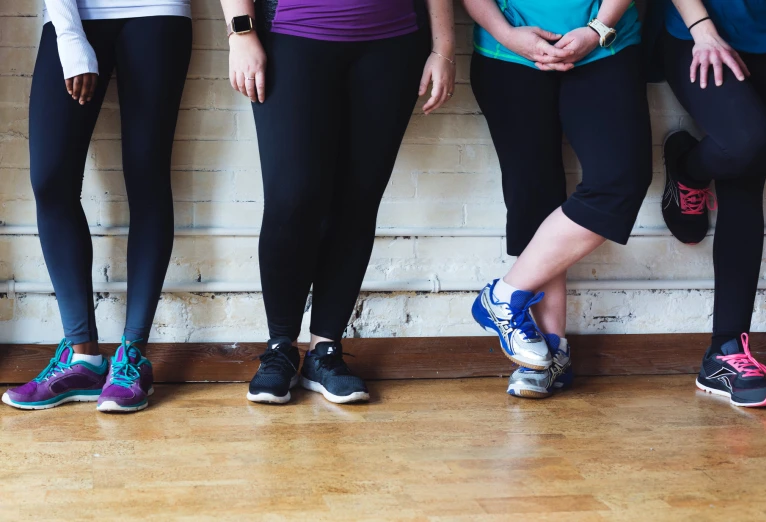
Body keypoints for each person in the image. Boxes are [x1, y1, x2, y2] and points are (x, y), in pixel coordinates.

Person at [219, 0, 456, 404]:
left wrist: (444, 49)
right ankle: (280, 348)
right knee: (291, 199)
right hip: (292, 36)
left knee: (358, 200)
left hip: (393, 42)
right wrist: (241, 33)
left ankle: (325, 350)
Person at [1, 0, 192, 412]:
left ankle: (133, 355)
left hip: (158, 12)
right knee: (50, 179)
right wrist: (69, 35)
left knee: (147, 176)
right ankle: (83, 357)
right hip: (74, 15)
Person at [464, 0, 652, 398]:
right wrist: (506, 34)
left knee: (621, 180)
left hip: (607, 47)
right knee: (534, 197)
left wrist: (598, 29)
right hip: (508, 55)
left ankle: (503, 296)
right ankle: (550, 354)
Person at [660, 0, 766, 407]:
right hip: (697, 33)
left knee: (746, 184)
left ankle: (725, 354)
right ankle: (688, 168)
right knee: (746, 140)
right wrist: (702, 28)